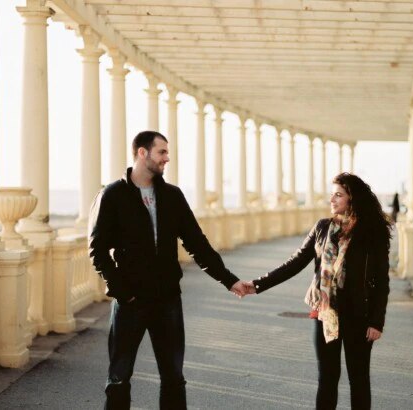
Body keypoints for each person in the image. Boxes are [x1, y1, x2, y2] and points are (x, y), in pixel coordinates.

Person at [88, 130, 250, 410]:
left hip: (167, 299)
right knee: (119, 378)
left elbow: (197, 244)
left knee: (174, 377)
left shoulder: (172, 196)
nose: (167, 158)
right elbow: (98, 251)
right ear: (142, 153)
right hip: (131, 302)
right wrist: (122, 292)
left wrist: (229, 280)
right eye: (161, 152)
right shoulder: (113, 195)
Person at [245, 172, 392, 410]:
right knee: (327, 379)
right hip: (325, 313)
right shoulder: (323, 228)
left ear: (352, 199)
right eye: (331, 195)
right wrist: (258, 284)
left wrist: (377, 321)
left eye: (338, 195)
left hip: (359, 315)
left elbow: (382, 282)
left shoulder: (371, 233)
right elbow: (295, 262)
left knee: (359, 379)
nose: (331, 200)